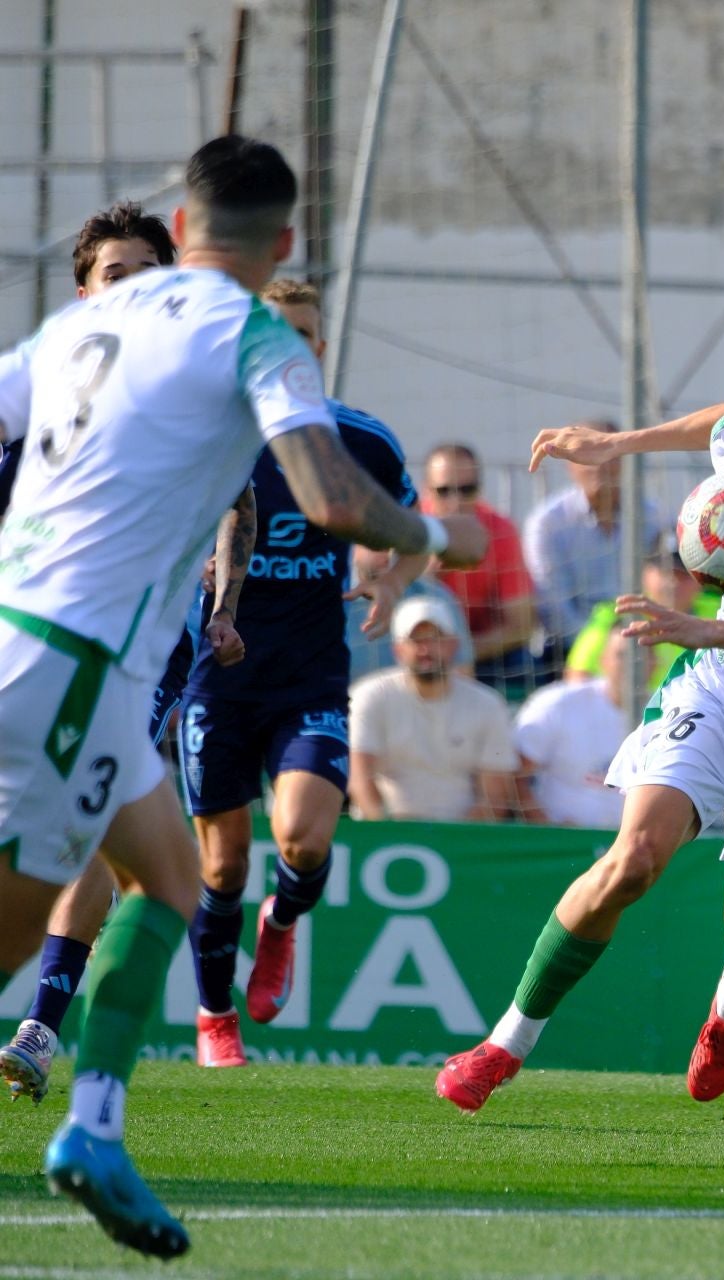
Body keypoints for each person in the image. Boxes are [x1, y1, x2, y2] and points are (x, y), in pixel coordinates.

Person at [0, 134, 481, 1258]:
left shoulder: (83, 322)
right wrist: (437, 534)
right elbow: (325, 494)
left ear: (184, 215)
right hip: (65, 666)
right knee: (16, 927)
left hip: (76, 668)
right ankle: (89, 1121)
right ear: (287, 243)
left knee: (166, 878)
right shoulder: (259, 333)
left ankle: (95, 1127)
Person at [436, 298, 724, 1112]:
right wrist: (615, 445)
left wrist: (697, 626)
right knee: (632, 861)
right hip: (718, 695)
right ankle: (504, 1042)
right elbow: (716, 423)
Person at [0, 201, 253, 1100]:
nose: (137, 292)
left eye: (153, 274)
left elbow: (240, 504)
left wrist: (222, 605)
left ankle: (49, 1044)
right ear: (83, 293)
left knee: (148, 866)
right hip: (34, 651)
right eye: (117, 276)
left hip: (129, 662)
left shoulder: (192, 399)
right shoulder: (49, 387)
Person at [178, 275, 429, 1069]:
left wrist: (391, 579)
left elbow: (417, 533)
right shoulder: (208, 438)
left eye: (305, 333)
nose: (292, 345)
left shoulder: (359, 441)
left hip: (311, 677)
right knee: (220, 864)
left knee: (304, 838)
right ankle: (215, 1016)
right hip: (215, 676)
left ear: (320, 347)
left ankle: (281, 924)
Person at [347, 596, 523, 822]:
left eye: (435, 639)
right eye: (415, 640)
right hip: (384, 834)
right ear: (398, 649)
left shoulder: (488, 704)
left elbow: (495, 794)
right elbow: (359, 777)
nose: (425, 649)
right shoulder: (369, 696)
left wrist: (453, 843)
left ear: (454, 645)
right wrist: (387, 831)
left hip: (464, 838)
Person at [423, 443, 541, 695]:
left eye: (467, 490)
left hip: (480, 651)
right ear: (427, 492)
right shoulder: (408, 529)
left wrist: (459, 652)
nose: (456, 502)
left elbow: (521, 626)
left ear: (480, 490)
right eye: (444, 491)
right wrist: (426, 577)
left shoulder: (500, 531)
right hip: (416, 652)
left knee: (527, 665)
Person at [525, 419, 637, 658]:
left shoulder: (654, 515)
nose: (599, 465)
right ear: (569, 465)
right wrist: (601, 649)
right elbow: (555, 608)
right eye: (588, 456)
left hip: (642, 644)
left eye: (609, 453)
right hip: (571, 653)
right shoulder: (547, 524)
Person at [513, 628, 629, 828]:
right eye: (622, 655)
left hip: (637, 848)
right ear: (603, 659)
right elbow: (515, 774)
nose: (632, 665)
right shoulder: (557, 702)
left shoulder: (668, 711)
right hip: (559, 845)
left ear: (656, 663)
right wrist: (546, 828)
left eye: (643, 656)